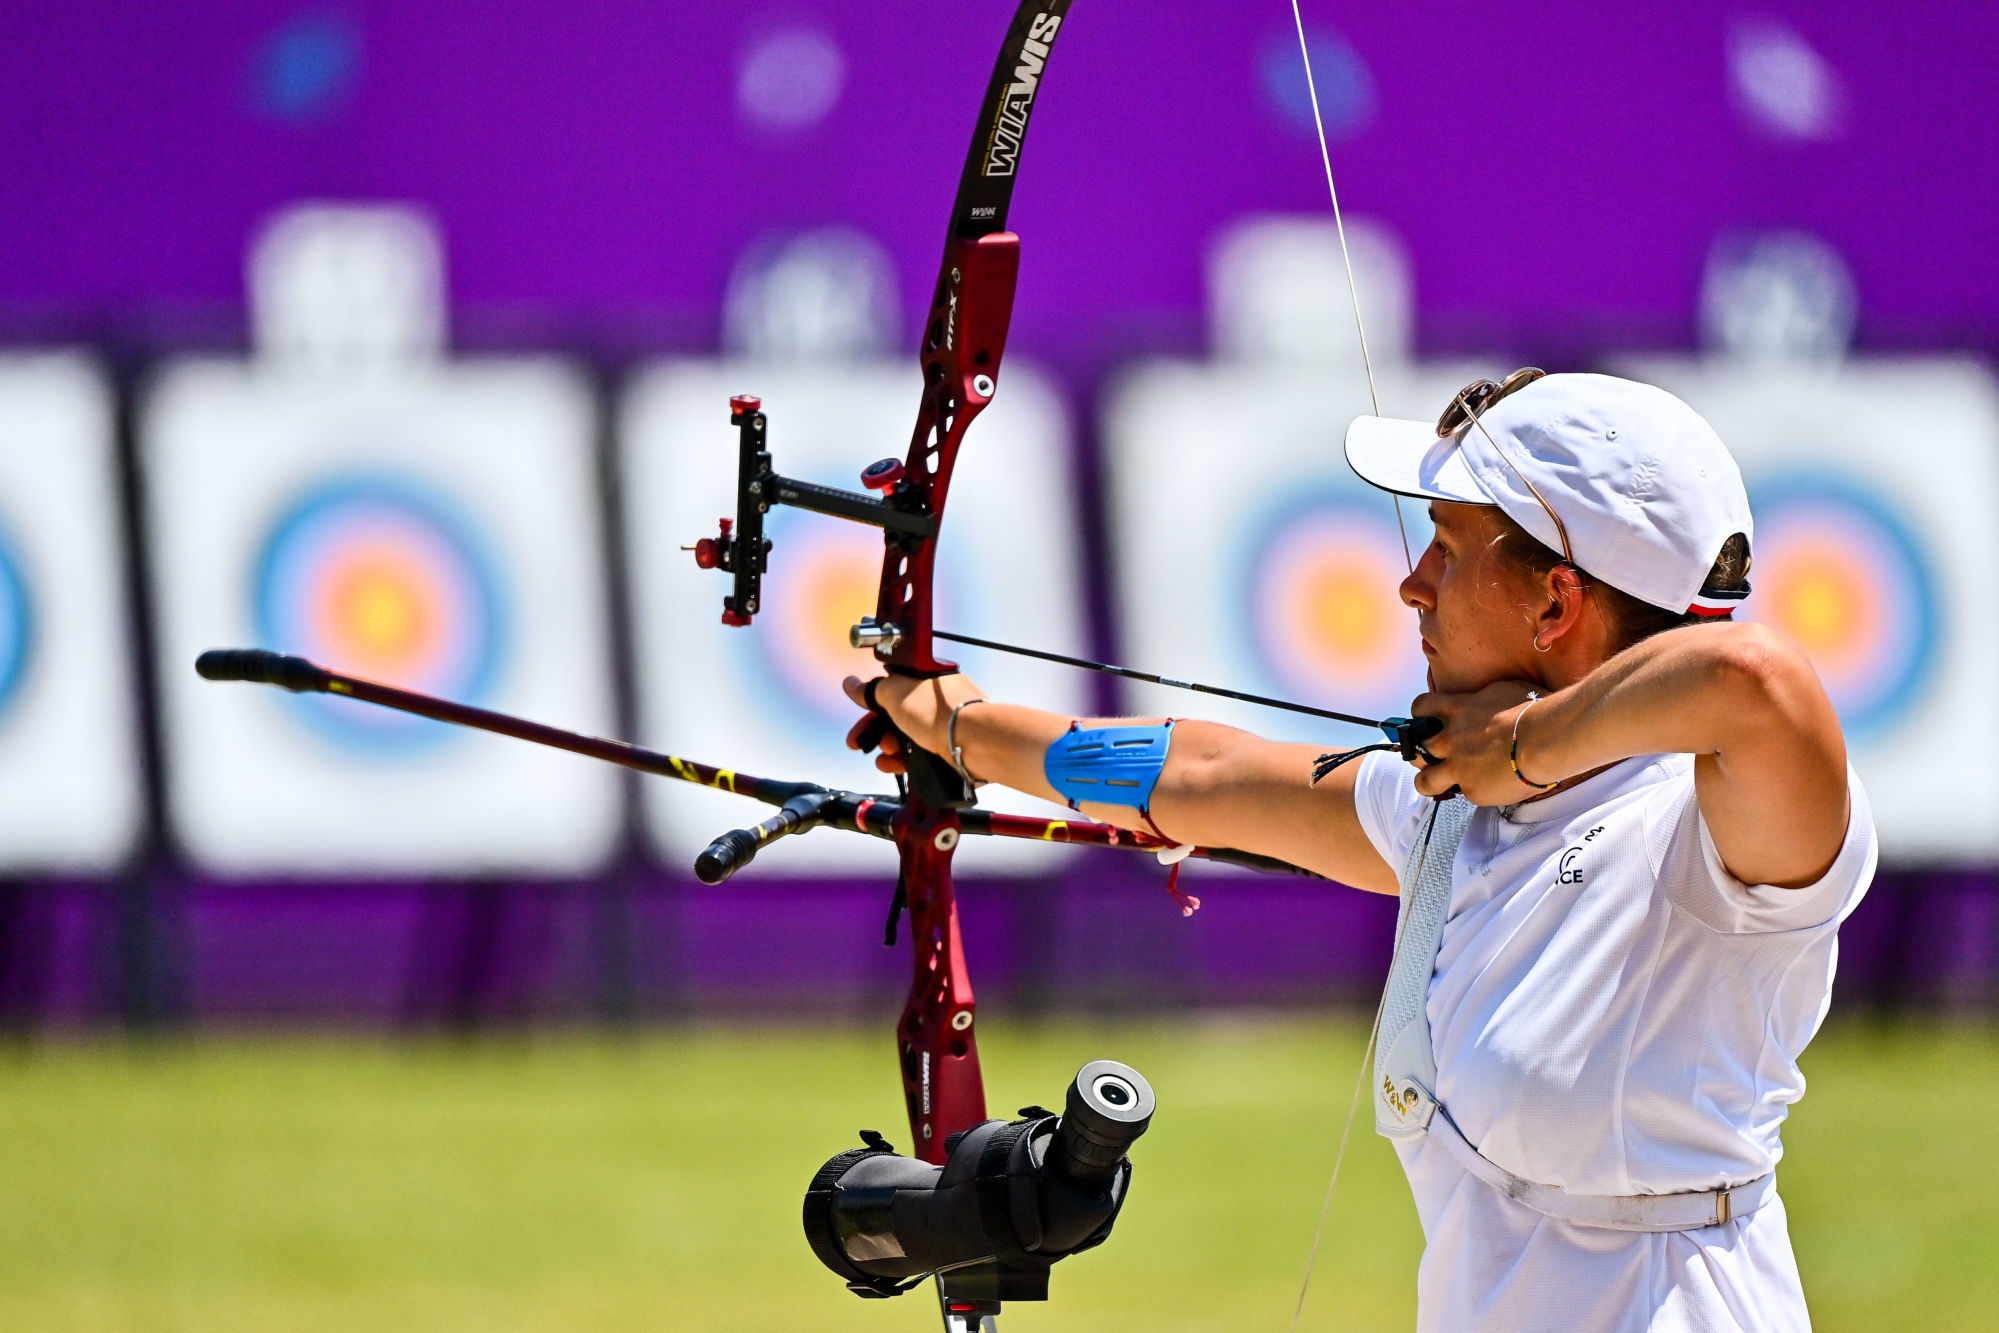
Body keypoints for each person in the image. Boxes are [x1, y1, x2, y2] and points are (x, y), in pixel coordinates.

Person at [845, 370, 1874, 1332]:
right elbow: (1199, 775)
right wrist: (954, 724)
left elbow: (1753, 676)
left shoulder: (1708, 831)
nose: (1409, 586)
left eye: (1446, 549)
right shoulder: (1443, 806)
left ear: (1556, 601)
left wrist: (1519, 744)